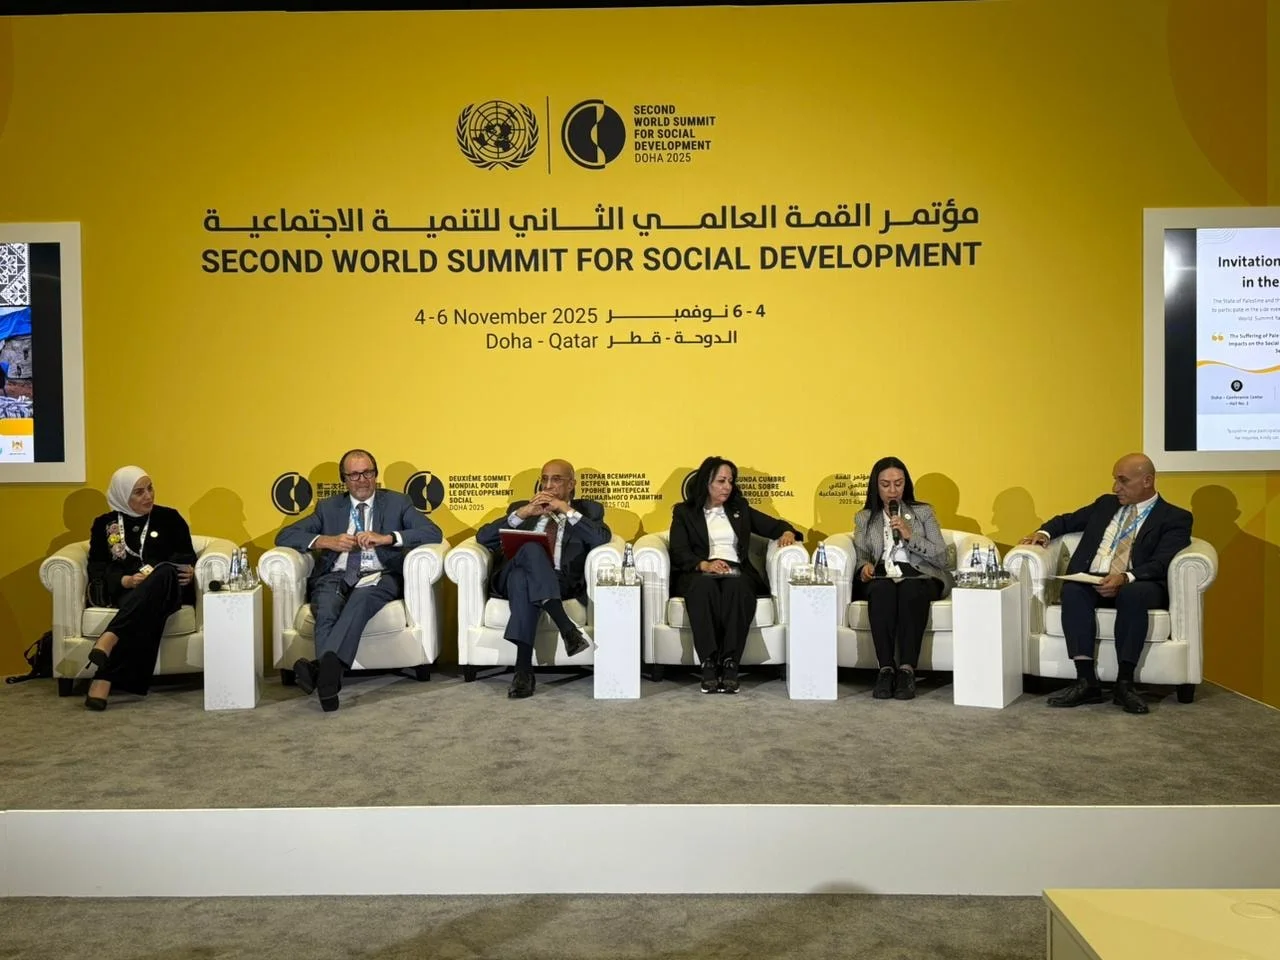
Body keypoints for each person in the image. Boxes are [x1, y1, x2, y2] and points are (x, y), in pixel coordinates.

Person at [1020, 453, 1192, 715]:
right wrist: (1043, 533)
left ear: (1147, 481)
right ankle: (1086, 681)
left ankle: (1125, 684)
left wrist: (1125, 577)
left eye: (1123, 481)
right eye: (1115, 480)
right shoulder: (1106, 504)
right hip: (1095, 576)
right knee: (1074, 589)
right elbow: (1067, 520)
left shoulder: (1175, 517)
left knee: (1133, 594)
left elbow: (1162, 561)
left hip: (1139, 581)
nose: (1115, 488)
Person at [276, 448, 441, 712]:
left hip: (380, 574)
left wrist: (387, 538)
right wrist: (326, 541)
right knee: (326, 607)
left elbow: (432, 532)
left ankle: (323, 674)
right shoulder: (328, 508)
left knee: (361, 600)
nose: (361, 480)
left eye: (367, 473)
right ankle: (329, 682)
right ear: (344, 479)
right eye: (354, 475)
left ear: (376, 474)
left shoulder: (398, 503)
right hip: (335, 575)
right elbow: (285, 536)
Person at [477, 459, 611, 699]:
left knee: (522, 580)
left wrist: (565, 510)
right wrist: (523, 513)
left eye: (556, 479)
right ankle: (566, 627)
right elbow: (483, 538)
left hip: (557, 580)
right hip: (508, 574)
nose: (548, 485)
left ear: (571, 484)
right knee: (530, 549)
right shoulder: (523, 508)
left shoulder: (589, 510)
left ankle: (523, 671)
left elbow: (600, 538)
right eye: (545, 479)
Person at [669, 456, 803, 694]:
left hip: (736, 571)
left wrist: (788, 532)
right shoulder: (684, 512)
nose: (727, 487)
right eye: (721, 481)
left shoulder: (739, 508)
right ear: (706, 482)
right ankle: (709, 663)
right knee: (703, 589)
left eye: (730, 481)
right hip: (700, 571)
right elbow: (679, 551)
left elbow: (774, 526)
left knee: (738, 587)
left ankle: (731, 663)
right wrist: (704, 565)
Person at [81, 466, 197, 711]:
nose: (148, 496)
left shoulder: (169, 517)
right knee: (144, 609)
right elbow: (97, 566)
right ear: (123, 495)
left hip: (168, 588)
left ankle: (109, 641)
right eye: (139, 492)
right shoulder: (104, 524)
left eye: (150, 488)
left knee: (164, 572)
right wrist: (125, 580)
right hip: (129, 591)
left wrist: (189, 569)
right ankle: (104, 677)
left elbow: (185, 554)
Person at [851, 456, 952, 701]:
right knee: (882, 591)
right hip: (883, 575)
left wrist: (910, 536)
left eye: (898, 483)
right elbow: (862, 555)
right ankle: (885, 669)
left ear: (906, 484)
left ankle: (907, 670)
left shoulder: (923, 512)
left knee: (910, 590)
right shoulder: (865, 517)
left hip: (921, 575)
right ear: (875, 486)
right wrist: (864, 567)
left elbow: (942, 556)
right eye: (885, 484)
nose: (893, 490)